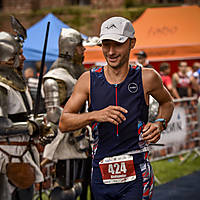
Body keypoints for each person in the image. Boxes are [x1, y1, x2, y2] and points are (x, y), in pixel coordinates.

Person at [59, 16, 174, 200]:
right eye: (106, 45)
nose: (111, 52)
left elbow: (167, 102)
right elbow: (64, 122)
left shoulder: (147, 77)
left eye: (117, 44)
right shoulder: (88, 79)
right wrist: (95, 115)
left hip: (136, 172)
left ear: (132, 43)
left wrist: (159, 123)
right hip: (100, 172)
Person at [0, 20, 56, 200]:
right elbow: (2, 127)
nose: (23, 58)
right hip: (7, 158)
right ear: (8, 58)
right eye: (19, 54)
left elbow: (24, 118)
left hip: (23, 155)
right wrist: (30, 127)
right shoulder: (1, 88)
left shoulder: (18, 87)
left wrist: (41, 128)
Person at [41, 28, 91, 200]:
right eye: (80, 47)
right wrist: (81, 120)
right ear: (69, 49)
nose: (83, 50)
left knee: (78, 186)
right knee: (65, 190)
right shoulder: (56, 77)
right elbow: (54, 114)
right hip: (63, 141)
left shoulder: (74, 75)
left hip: (79, 139)